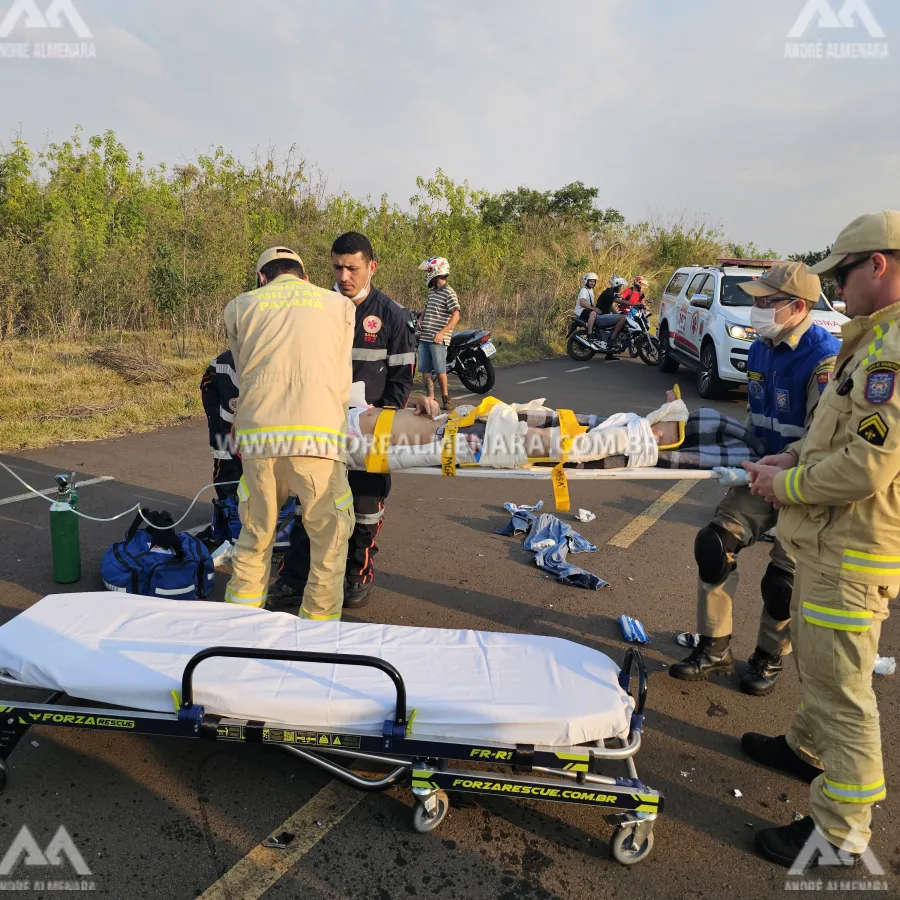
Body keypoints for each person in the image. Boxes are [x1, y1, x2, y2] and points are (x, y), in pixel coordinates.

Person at [742, 210, 900, 868]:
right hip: (830, 542)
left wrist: (789, 489)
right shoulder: (869, 340)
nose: (834, 287)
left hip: (854, 549)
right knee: (818, 658)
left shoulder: (893, 352)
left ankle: (841, 835)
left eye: (841, 272)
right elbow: (834, 435)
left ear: (878, 265)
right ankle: (804, 748)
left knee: (843, 692)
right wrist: (790, 461)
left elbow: (869, 465)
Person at [670, 262, 839, 696]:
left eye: (766, 302)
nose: (756, 308)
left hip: (807, 482)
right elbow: (757, 412)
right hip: (762, 469)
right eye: (756, 300)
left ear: (797, 307)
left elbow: (824, 441)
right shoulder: (763, 345)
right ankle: (715, 647)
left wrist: (784, 471)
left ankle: (769, 656)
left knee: (782, 582)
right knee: (714, 543)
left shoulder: (825, 360)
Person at [268, 232, 416, 612]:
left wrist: (375, 420)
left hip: (367, 432)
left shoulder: (392, 318)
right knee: (310, 510)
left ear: (371, 267)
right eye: (337, 267)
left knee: (365, 510)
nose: (345, 275)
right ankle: (295, 576)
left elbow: (401, 382)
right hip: (318, 429)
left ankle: (357, 573)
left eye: (353, 268)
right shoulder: (315, 308)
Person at [223, 246, 356, 621]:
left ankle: (240, 629)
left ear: (262, 278)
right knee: (328, 544)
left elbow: (243, 365)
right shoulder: (340, 306)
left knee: (255, 536)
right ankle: (317, 637)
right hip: (319, 439)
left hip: (259, 438)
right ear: (305, 277)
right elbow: (339, 367)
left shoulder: (240, 306)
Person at [417, 256, 461, 410]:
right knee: (425, 369)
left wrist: (442, 333)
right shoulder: (432, 292)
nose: (427, 273)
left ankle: (446, 398)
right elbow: (427, 308)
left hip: (437, 339)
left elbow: (456, 314)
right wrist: (421, 318)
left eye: (429, 270)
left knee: (440, 369)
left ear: (437, 270)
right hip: (425, 337)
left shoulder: (449, 292)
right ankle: (431, 399)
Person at [200, 349, 241, 501]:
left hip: (239, 394)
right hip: (217, 393)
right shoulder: (234, 366)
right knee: (227, 450)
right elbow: (232, 419)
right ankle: (228, 505)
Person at [593, 276, 631, 359]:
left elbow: (610, 307)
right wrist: (636, 304)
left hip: (602, 316)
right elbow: (622, 302)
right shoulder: (609, 293)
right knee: (622, 318)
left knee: (619, 321)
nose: (621, 288)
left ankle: (609, 353)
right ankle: (612, 339)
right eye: (620, 286)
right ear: (616, 285)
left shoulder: (609, 292)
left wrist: (616, 314)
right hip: (600, 317)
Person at [576, 272, 600, 336]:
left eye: (594, 281)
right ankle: (590, 333)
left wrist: (598, 308)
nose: (593, 283)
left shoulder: (590, 290)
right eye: (590, 281)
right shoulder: (584, 290)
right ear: (586, 281)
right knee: (593, 313)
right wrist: (593, 309)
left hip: (586, 310)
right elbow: (582, 303)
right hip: (580, 311)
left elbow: (591, 303)